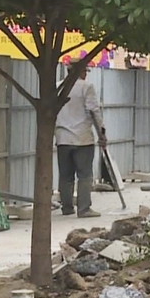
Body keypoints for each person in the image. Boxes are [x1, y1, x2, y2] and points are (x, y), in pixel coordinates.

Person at [55, 65, 107, 218]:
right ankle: (84, 208)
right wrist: (101, 134)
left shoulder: (58, 87)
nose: (86, 74)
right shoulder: (86, 87)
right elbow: (93, 111)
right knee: (84, 175)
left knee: (65, 175)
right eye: (85, 71)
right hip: (82, 138)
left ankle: (67, 207)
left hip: (62, 137)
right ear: (80, 71)